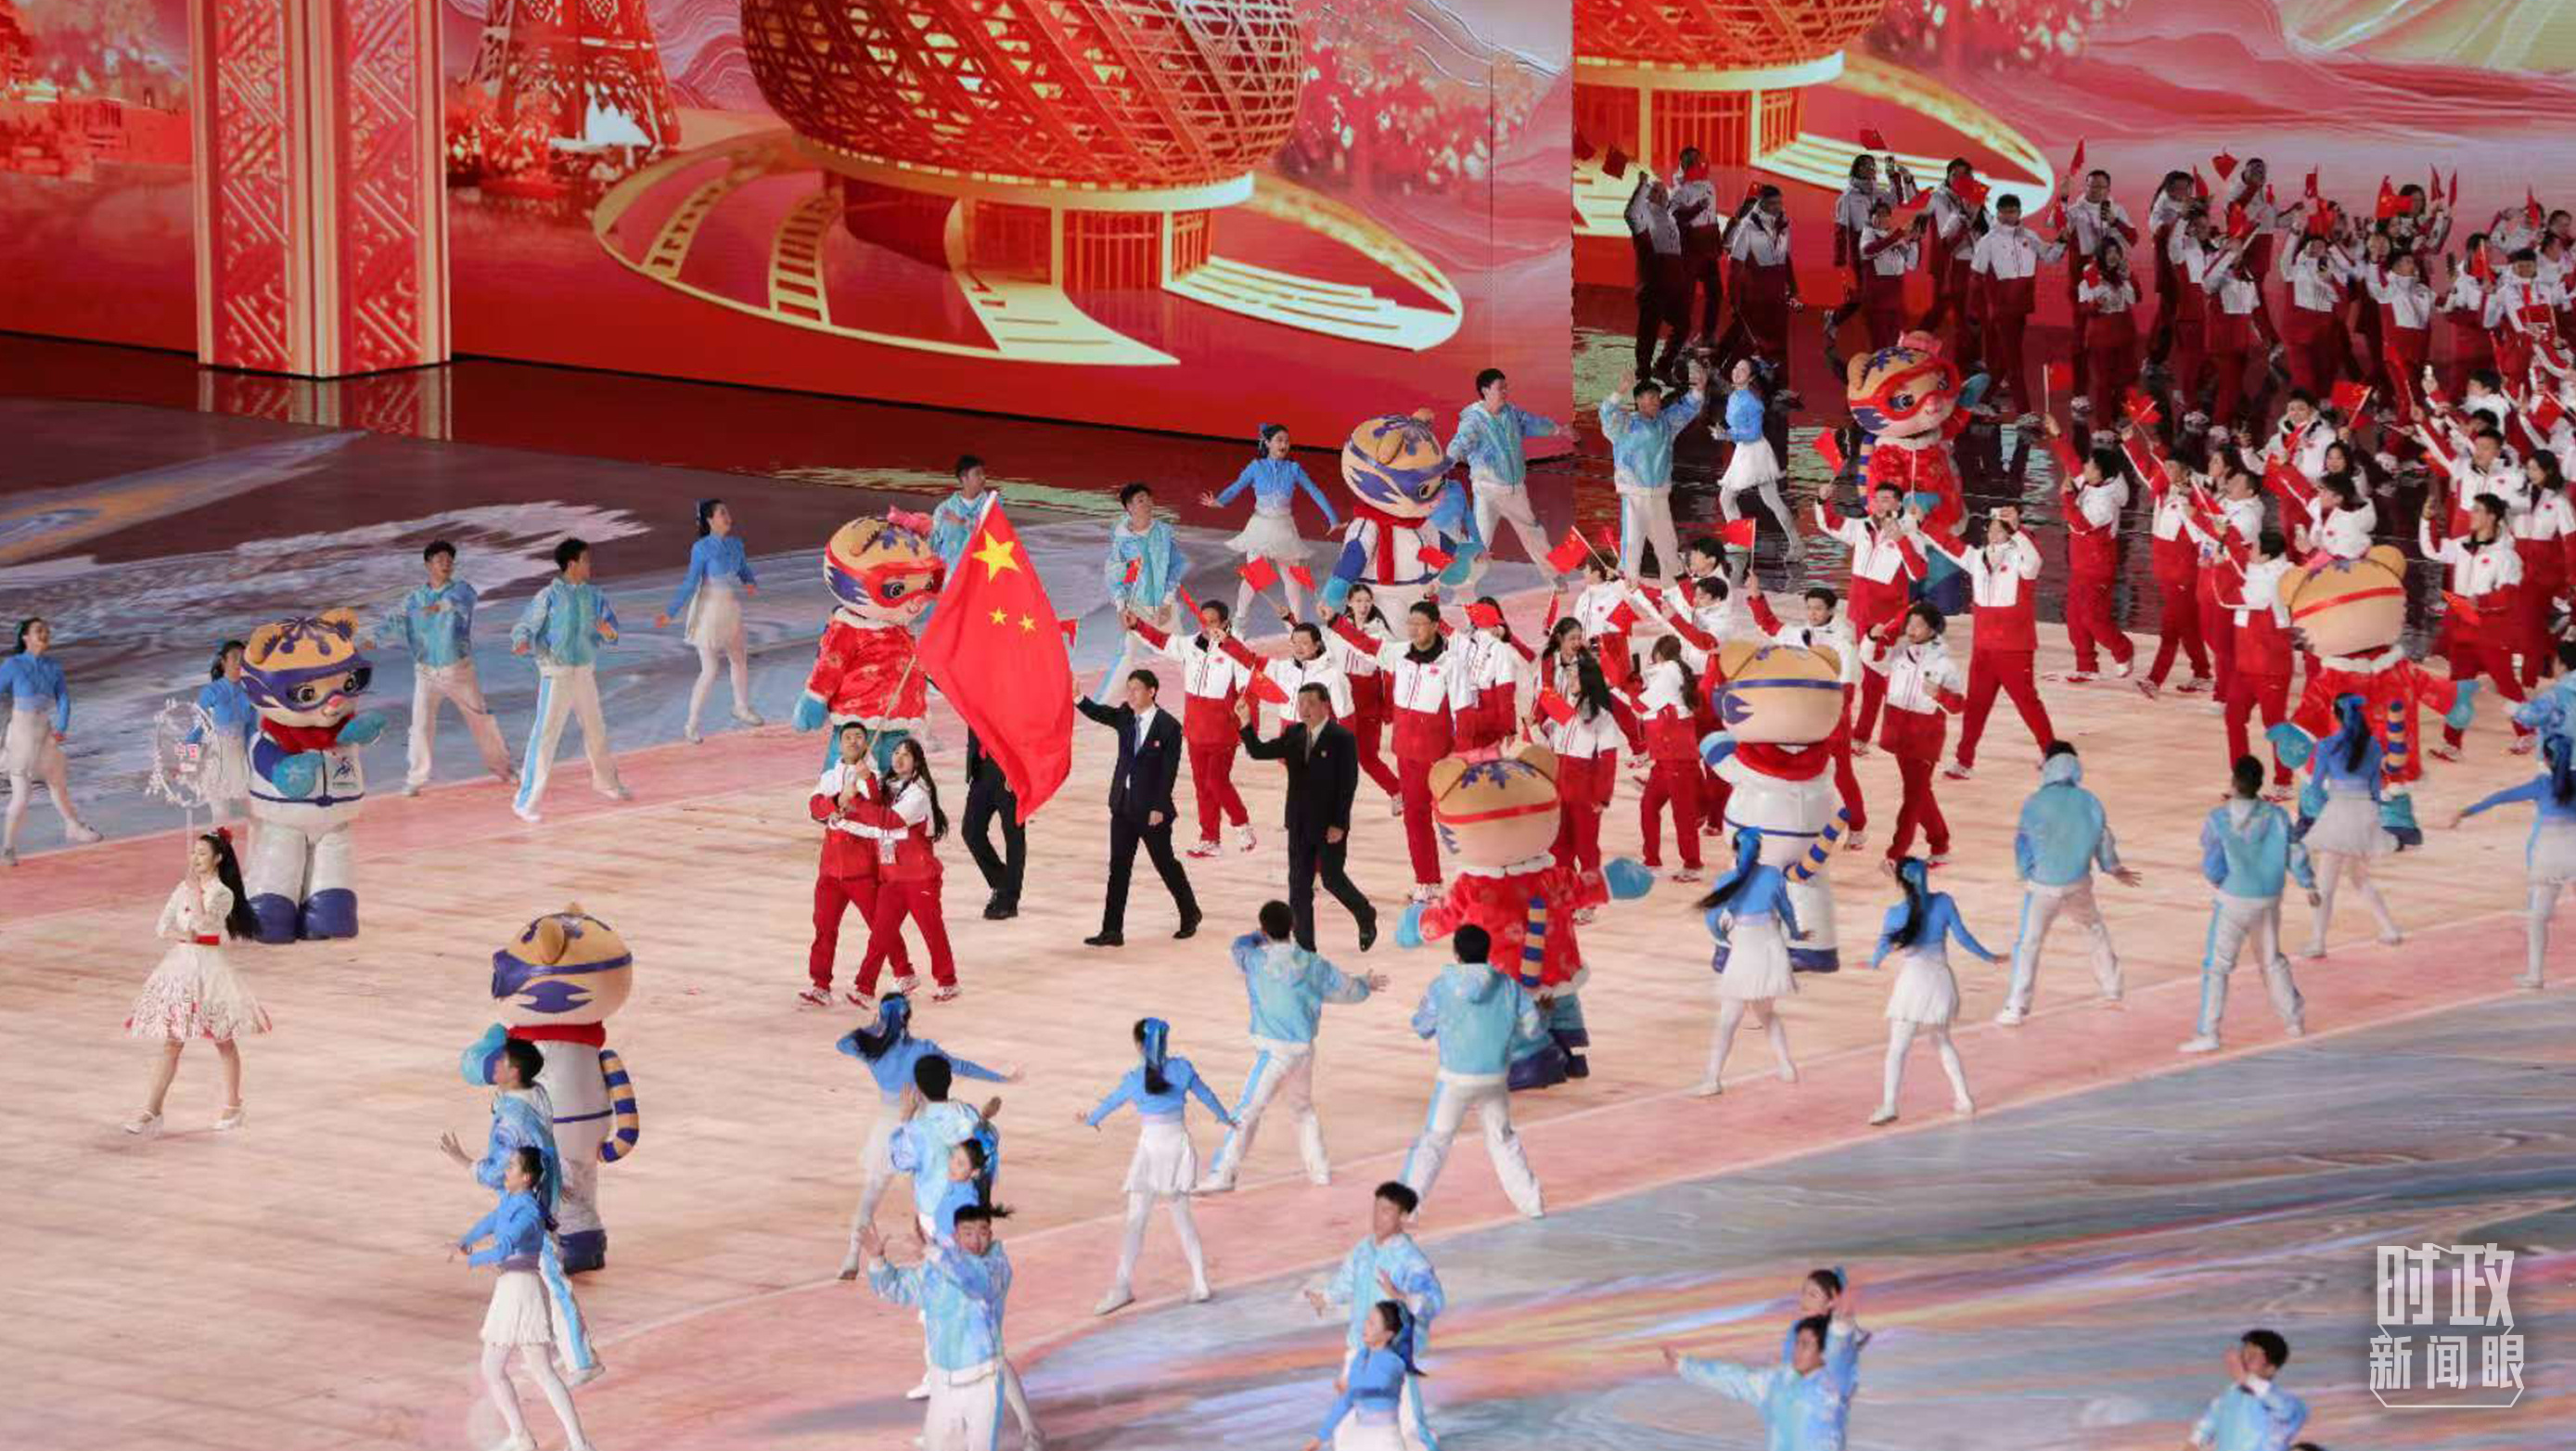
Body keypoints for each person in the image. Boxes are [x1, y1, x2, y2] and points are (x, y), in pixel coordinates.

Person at [437, 1038, 602, 1385]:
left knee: (553, 1280)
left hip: (531, 1205)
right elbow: (541, 1142)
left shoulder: (513, 1118)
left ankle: (583, 1360)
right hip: (539, 1193)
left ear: (513, 1072)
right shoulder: (535, 1092)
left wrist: (463, 1161)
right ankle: (559, 1348)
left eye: (500, 1062)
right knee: (542, 1278)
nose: (493, 1067)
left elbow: (498, 1169)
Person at [1202, 901, 1388, 1192]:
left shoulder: (1254, 960)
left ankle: (1223, 1175)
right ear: (1293, 926)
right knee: (1303, 1110)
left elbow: (1237, 947)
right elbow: (1347, 990)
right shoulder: (1313, 964)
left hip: (1272, 1052)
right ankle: (1320, 1171)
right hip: (1303, 1050)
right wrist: (1365, 983)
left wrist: (1258, 935)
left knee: (1246, 1111)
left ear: (1264, 929)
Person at [833, 997, 1017, 1278]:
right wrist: (1000, 1078)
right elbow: (961, 1066)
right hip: (924, 1123)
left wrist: (876, 1028)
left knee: (870, 1195)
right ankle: (945, 1253)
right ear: (908, 1017)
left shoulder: (873, 1050)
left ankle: (852, 1256)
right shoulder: (923, 1050)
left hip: (889, 1127)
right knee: (936, 1190)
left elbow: (843, 1044)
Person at [1080, 1018, 1234, 1313]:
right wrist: (1225, 1118)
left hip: (1151, 1151)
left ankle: (1122, 1286)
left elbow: (1110, 1103)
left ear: (1139, 1045)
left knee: (1136, 1220)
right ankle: (1200, 1281)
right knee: (1183, 1219)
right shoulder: (1182, 1069)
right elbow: (1207, 1095)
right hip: (1176, 1146)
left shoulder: (1134, 1079)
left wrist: (1091, 1119)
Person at [120, 828, 267, 1135]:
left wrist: (196, 895)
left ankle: (233, 1105)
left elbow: (205, 923)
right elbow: (163, 926)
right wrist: (181, 932)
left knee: (222, 1038)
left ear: (218, 858)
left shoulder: (222, 893)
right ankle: (152, 1111)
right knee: (172, 1040)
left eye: (202, 854)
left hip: (210, 969)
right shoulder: (182, 888)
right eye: (193, 853)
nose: (195, 858)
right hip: (181, 966)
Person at [454, 1146, 599, 1451]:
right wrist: (465, 1239)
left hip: (521, 1291)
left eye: (511, 1167)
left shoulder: (529, 1212)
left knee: (522, 1370)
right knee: (511, 1369)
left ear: (526, 1177)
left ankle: (564, 1442)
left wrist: (471, 1259)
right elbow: (493, 1220)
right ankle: (544, 1440)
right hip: (512, 1288)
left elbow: (504, 1248)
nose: (505, 1171)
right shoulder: (513, 1202)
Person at [1330, 603, 1474, 901]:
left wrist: (1462, 758)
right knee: (1415, 818)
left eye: (1419, 623)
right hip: (1407, 754)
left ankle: (1478, 876)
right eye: (1410, 623)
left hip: (1440, 757)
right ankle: (1428, 881)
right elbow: (1366, 644)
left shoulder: (1452, 664)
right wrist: (1334, 621)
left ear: (1435, 625)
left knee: (1457, 818)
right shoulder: (1399, 653)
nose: (1413, 629)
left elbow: (1464, 714)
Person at [1399, 926, 1544, 1219]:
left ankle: (1407, 1207)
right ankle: (1532, 1204)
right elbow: (1533, 1028)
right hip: (1495, 1077)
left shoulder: (1441, 987)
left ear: (1456, 952)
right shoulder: (1509, 986)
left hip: (1455, 1079)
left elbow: (1422, 1027)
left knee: (1434, 1142)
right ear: (1488, 951)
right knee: (1503, 1140)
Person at [1997, 742, 2141, 1025]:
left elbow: (2023, 843)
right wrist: (2113, 867)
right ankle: (2112, 990)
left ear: (2048, 766)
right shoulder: (2089, 801)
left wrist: (2025, 872)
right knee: (2094, 930)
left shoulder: (2035, 802)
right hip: (2078, 884)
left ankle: (2016, 1007)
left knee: (2029, 944)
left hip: (2042, 887)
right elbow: (2103, 837)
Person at [857, 1204, 1013, 1451]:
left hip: (984, 1380)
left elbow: (973, 1281)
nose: (976, 1240)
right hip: (943, 1383)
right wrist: (878, 1260)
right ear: (955, 1237)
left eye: (982, 1232)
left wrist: (935, 1254)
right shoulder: (937, 1270)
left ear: (990, 1235)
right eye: (968, 1232)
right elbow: (897, 1289)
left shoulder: (996, 1266)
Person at [1304, 1183, 1445, 1450]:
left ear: (1403, 1217)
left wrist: (1401, 1296)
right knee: (1347, 1420)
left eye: (1386, 1211)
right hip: (1361, 1344)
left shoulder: (1411, 1259)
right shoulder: (1364, 1250)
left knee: (1409, 1424)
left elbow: (1435, 1301)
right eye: (1376, 1209)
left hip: (1397, 1351)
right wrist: (1325, 1298)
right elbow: (1346, 1282)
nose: (1377, 1217)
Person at [2182, 756, 2306, 1052]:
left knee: (2217, 967)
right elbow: (2295, 851)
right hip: (2269, 896)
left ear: (2234, 782)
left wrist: (2221, 882)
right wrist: (2307, 881)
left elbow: (2212, 861)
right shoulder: (2277, 815)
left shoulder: (2219, 817)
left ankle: (2209, 1032)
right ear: (2259, 783)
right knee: (2272, 960)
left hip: (2235, 897)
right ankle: (2293, 1020)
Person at [1240, 685, 1378, 951]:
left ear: (1326, 705)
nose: (1304, 708)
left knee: (1332, 879)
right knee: (1298, 887)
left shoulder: (1342, 738)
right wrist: (1245, 721)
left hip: (1329, 826)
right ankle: (1306, 949)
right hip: (1299, 822)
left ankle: (1364, 913)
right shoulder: (1294, 733)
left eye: (1310, 703)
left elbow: (1348, 784)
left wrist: (1339, 823)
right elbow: (1258, 751)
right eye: (1301, 703)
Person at [1865, 854, 1998, 1123]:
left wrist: (1873, 963)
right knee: (1942, 1042)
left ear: (1901, 882)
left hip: (1913, 984)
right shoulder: (1944, 902)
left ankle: (1890, 1105)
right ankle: (1964, 1098)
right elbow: (1964, 938)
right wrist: (1989, 957)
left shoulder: (1895, 914)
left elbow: (1881, 950)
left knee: (1897, 1048)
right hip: (1940, 982)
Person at [1121, 598, 1256, 856]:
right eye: (1204, 621)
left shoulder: (1236, 649)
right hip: (1195, 730)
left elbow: (1248, 684)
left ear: (1225, 623)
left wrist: (1249, 729)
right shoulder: (1189, 644)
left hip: (1223, 731)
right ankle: (1210, 839)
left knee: (1216, 781)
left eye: (1213, 622)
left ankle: (1242, 825)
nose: (1208, 626)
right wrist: (1137, 625)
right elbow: (1161, 641)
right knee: (1202, 787)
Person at [1924, 506, 2052, 779]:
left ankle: (2052, 754)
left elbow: (2034, 557)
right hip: (1983, 649)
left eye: (2000, 530)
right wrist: (1923, 523)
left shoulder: (2022, 561)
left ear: (2011, 534)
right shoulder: (1976, 558)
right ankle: (1964, 761)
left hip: (2014, 648)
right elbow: (1948, 544)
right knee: (1976, 708)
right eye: (1991, 529)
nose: (1994, 533)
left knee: (2028, 704)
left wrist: (2017, 529)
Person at [380, 540, 518, 795]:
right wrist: (370, 638)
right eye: (439, 560)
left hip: (458, 670)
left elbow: (458, 601)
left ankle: (504, 768)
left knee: (480, 720)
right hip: (425, 672)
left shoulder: (462, 589)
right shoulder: (414, 599)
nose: (445, 564)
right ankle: (416, 779)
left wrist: (439, 607)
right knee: (420, 725)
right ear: (427, 565)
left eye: (449, 561)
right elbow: (394, 621)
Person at [508, 539, 631, 824]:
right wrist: (521, 641)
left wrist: (608, 631)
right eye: (586, 560)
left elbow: (612, 631)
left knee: (596, 729)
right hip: (557, 672)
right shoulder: (549, 595)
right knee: (545, 736)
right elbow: (525, 625)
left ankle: (607, 783)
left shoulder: (594, 595)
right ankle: (525, 801)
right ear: (572, 564)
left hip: (584, 670)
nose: (590, 565)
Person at [1077, 669, 1201, 946]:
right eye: (1128, 689)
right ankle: (1112, 931)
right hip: (1123, 806)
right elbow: (1100, 713)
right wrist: (1078, 698)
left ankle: (1190, 912)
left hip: (1151, 811)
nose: (1130, 694)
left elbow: (1168, 772)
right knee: (1118, 868)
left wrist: (1159, 806)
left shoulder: (1168, 726)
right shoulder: (1125, 716)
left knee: (1165, 864)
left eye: (1135, 689)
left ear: (1152, 691)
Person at [1664, 1290, 1866, 1451]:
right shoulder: (1776, 1381)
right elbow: (1734, 1379)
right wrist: (1685, 1366)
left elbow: (1841, 1358)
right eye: (1797, 1343)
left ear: (1823, 1352)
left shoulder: (1832, 1386)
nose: (1797, 1351)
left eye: (1805, 1345)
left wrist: (1841, 1327)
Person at [2453, 732, 2576, 990]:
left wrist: (2467, 811)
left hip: (2550, 851)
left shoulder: (2541, 784)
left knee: (2538, 918)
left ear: (2546, 759)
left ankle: (2535, 976)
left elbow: (2501, 797)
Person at [2421, 492, 2534, 757]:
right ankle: (2452, 744)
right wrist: (2427, 520)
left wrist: (2480, 600)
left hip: (2491, 630)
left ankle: (2527, 732)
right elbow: (2433, 550)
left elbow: (2509, 595)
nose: (2470, 514)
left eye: (2477, 510)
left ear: (2492, 517)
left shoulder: (2506, 555)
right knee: (2459, 687)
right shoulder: (2461, 545)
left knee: (2506, 684)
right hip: (2462, 628)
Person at [806, 722, 911, 1007]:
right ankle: (820, 985)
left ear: (866, 743)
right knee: (824, 928)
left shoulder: (877, 778)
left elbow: (878, 809)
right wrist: (835, 802)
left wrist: (863, 786)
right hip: (830, 871)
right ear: (839, 744)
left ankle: (904, 971)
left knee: (880, 926)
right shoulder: (829, 777)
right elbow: (814, 807)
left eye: (858, 737)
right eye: (848, 737)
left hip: (862, 870)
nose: (853, 741)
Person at [1813, 484, 1927, 744]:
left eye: (1886, 499)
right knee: (1863, 675)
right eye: (1877, 498)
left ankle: (1882, 733)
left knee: (1880, 678)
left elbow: (1919, 573)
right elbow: (1829, 523)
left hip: (1887, 617)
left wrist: (1901, 540)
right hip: (1859, 613)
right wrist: (1822, 500)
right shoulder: (1861, 526)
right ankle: (1858, 733)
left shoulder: (1910, 533)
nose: (1879, 503)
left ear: (1898, 504)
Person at [1693, 827, 1801, 1097]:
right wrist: (1797, 933)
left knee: (1728, 1019)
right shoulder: (1772, 874)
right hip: (1770, 946)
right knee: (1766, 1013)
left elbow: (1714, 923)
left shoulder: (1726, 880)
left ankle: (1712, 1079)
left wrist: (1723, 937)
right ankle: (1785, 1065)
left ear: (1734, 851)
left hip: (1745, 948)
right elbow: (1786, 910)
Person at [852, 738, 960, 1005]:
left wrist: (856, 802)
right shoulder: (890, 786)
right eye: (896, 753)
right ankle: (864, 987)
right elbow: (876, 799)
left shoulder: (918, 794)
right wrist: (865, 778)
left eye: (906, 755)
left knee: (931, 931)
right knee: (880, 934)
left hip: (919, 878)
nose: (898, 758)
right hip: (892, 877)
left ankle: (948, 981)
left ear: (917, 762)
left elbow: (888, 819)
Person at [2298, 696, 2404, 957]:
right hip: (2365, 811)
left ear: (2336, 716)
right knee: (2359, 878)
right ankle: (2389, 929)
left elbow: (2315, 787)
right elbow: (2376, 789)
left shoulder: (2327, 745)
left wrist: (2320, 810)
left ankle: (2318, 942)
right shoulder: (2373, 745)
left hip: (2340, 812)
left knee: (2326, 885)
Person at [653, 498, 763, 742]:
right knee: (710, 669)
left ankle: (741, 707)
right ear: (710, 520)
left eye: (727, 511)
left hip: (730, 609)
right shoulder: (701, 548)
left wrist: (749, 582)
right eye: (722, 513)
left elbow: (743, 569)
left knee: (739, 659)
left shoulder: (736, 544)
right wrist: (670, 612)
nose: (727, 516)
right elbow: (690, 583)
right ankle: (691, 723)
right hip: (709, 613)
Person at [1204, 424, 1337, 625]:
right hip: (1260, 528)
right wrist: (1219, 501)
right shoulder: (1256, 467)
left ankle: (1296, 626)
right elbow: (1236, 487)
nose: (1284, 444)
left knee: (1293, 582)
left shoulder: (1293, 469)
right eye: (1279, 440)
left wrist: (1333, 518)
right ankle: (1240, 621)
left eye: (1287, 441)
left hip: (1284, 529)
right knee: (1255, 577)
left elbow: (1315, 491)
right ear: (1267, 443)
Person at [1862, 604, 1965, 863]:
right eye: (1909, 624)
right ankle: (1940, 846)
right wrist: (1872, 637)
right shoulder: (1898, 654)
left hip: (1925, 736)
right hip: (1899, 733)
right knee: (1919, 793)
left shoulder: (1945, 665)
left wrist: (1939, 694)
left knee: (1913, 796)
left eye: (1918, 625)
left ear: (1933, 629)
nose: (1912, 629)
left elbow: (1958, 706)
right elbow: (1870, 659)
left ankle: (1896, 853)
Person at [1446, 368, 1565, 588]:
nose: (1505, 392)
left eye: (1505, 387)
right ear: (1485, 391)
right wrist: (1444, 465)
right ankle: (1465, 584)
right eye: (1500, 388)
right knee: (1479, 541)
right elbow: (1459, 444)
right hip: (1487, 492)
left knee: (1533, 532)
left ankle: (1554, 575)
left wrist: (1559, 430)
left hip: (1514, 491)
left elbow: (1533, 423)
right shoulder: (1473, 421)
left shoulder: (1511, 413)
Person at [2041, 416, 2137, 682]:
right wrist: (2057, 435)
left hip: (2097, 567)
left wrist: (2067, 497)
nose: (2084, 467)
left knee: (2093, 618)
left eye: (2090, 465)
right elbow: (2073, 463)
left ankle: (2123, 650)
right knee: (2074, 617)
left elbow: (2080, 524)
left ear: (2101, 473)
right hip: (2081, 564)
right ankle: (2086, 665)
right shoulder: (2095, 481)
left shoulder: (2105, 502)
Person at [2, 617, 102, 862]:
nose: (45, 633)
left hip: (44, 732)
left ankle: (73, 826)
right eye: (39, 630)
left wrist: (61, 728)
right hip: (21, 735)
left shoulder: (53, 666)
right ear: (25, 637)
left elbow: (64, 699)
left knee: (57, 782)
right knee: (22, 795)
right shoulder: (13, 664)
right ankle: (8, 847)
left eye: (46, 630)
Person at [1601, 369, 1709, 579]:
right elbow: (1606, 414)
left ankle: (1675, 583)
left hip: (1659, 495)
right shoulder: (1625, 424)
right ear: (1638, 401)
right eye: (1646, 398)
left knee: (1667, 542)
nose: (1652, 402)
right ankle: (1628, 583)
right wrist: (1620, 391)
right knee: (1632, 543)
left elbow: (1687, 408)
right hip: (1634, 495)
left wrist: (1699, 389)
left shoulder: (1666, 422)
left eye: (1655, 397)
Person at [1970, 193, 2069, 417]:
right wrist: (1976, 312)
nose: (2009, 216)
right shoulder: (1988, 241)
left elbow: (2051, 257)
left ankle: (1981, 401)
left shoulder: (2030, 236)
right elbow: (1976, 279)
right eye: (2004, 212)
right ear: (1997, 213)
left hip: (2021, 308)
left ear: (2019, 213)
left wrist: (2062, 241)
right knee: (2014, 363)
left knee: (2005, 361)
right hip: (2001, 310)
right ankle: (2024, 413)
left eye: (2013, 211)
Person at [1100, 482, 1188, 702]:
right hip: (1135, 607)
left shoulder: (1163, 532)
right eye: (1141, 500)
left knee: (1182, 653)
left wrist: (1167, 602)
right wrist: (1121, 607)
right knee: (1126, 655)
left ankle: (1203, 694)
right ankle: (1103, 705)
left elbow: (1176, 565)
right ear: (1129, 507)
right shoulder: (1122, 539)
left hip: (1163, 605)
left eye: (1149, 498)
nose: (1147, 503)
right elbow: (1115, 575)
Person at [1301, 1300, 1428, 1451]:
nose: (1365, 1326)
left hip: (1385, 1440)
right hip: (1361, 1437)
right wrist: (1320, 1437)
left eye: (1372, 1323)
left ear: (1388, 1334)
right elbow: (1346, 1401)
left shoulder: (1394, 1362)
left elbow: (1377, 1384)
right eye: (1367, 1320)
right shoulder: (1361, 1357)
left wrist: (1349, 1387)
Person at [1713, 357, 1803, 564]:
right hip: (1744, 450)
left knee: (1731, 497)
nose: (1737, 371)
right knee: (1764, 500)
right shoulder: (1734, 396)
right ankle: (1794, 544)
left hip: (1754, 451)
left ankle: (1745, 542)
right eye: (1736, 367)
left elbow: (1753, 434)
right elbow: (1736, 427)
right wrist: (1724, 431)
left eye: (1743, 370)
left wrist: (1727, 435)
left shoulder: (1753, 403)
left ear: (1751, 377)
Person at [2187, 1329, 2308, 1451]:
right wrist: (2194, 1442)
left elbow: (2286, 1411)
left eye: (2253, 1356)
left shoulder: (2283, 1401)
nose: (2244, 1360)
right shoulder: (2230, 1396)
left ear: (2271, 1368)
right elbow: (2210, 1421)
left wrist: (2246, 1380)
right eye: (2243, 1353)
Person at [1725, 185, 1803, 366]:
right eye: (1772, 203)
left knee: (1779, 341)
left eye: (1779, 203)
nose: (1777, 207)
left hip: (1778, 295)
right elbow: (1735, 266)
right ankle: (1725, 371)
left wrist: (1793, 287)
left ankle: (1778, 380)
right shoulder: (1748, 228)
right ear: (1761, 204)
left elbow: (1785, 258)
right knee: (1752, 340)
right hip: (1755, 295)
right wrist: (1733, 299)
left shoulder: (1784, 225)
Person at [1625, 168, 1687, 379]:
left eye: (1663, 192)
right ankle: (1643, 372)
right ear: (1647, 196)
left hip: (1674, 284)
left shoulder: (1670, 218)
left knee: (1683, 325)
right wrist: (1642, 185)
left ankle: (1663, 366)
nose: (1660, 195)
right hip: (1653, 284)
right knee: (1649, 331)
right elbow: (1630, 214)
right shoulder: (1644, 215)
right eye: (1655, 191)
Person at [959, 729, 1024, 921]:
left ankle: (1010, 900)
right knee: (971, 831)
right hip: (981, 768)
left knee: (1013, 836)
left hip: (1010, 770)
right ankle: (1002, 882)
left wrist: (1017, 770)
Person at [192, 639, 260, 823]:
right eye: (234, 657)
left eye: (242, 658)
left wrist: (254, 758)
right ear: (223, 662)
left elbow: (251, 730)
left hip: (241, 761)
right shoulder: (211, 691)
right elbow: (197, 728)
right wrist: (184, 762)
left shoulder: (249, 691)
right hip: (216, 760)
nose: (239, 662)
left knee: (256, 813)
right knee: (221, 816)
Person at [928, 455, 994, 577]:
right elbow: (934, 543)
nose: (983, 478)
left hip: (981, 576)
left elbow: (995, 533)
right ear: (964, 477)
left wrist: (964, 522)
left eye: (983, 473)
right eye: (977, 474)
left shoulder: (991, 506)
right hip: (951, 576)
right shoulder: (944, 509)